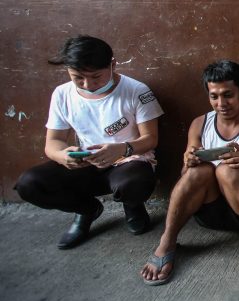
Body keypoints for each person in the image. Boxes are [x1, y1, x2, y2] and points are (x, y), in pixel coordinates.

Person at [140, 60, 239, 288]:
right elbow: (186, 177)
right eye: (214, 96)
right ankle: (167, 242)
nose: (221, 103)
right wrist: (188, 161)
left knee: (228, 170)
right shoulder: (200, 124)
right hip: (210, 213)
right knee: (199, 172)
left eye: (228, 95)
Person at [15, 35, 163, 249]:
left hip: (127, 162)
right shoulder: (62, 94)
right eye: (78, 78)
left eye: (96, 77)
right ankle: (86, 209)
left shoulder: (136, 91)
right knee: (29, 184)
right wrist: (64, 156)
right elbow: (53, 143)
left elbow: (151, 139)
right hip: (87, 163)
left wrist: (122, 149)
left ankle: (132, 205)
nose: (88, 85)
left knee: (134, 183)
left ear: (112, 65)